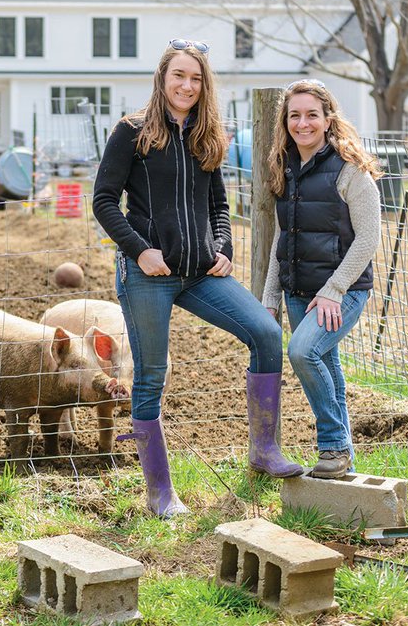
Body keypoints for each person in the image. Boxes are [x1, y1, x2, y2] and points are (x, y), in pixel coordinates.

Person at [93, 39, 303, 519]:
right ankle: (161, 495)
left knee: (267, 334)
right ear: (162, 79)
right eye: (178, 76)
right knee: (150, 376)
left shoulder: (209, 136)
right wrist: (140, 251)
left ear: (204, 85)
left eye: (196, 78)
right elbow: (103, 201)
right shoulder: (131, 132)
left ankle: (264, 451)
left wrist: (224, 249)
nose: (187, 85)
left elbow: (219, 207)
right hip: (150, 273)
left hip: (201, 273)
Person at [262, 79, 383, 479]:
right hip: (298, 292)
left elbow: (368, 238)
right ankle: (342, 462)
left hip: (342, 292)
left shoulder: (351, 170)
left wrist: (334, 290)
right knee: (327, 366)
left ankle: (332, 444)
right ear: (285, 121)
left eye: (312, 114)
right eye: (294, 115)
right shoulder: (286, 168)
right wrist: (270, 298)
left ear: (328, 119)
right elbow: (283, 235)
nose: (303, 123)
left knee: (303, 353)